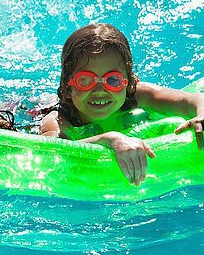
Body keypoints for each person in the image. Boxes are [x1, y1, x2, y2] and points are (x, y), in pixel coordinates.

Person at [40, 23, 204, 185]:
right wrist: (108, 139)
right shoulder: (58, 119)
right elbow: (51, 152)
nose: (99, 91)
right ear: (68, 86)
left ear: (128, 82)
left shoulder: (139, 95)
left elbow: (190, 99)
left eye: (112, 80)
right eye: (85, 80)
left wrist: (201, 115)